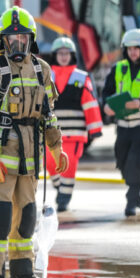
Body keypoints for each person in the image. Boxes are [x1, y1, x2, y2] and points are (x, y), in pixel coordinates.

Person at [0, 5, 69, 278]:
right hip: (0, 157)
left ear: (31, 39)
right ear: (3, 41)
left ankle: (23, 273)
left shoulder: (42, 70)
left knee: (26, 215)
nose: (17, 44)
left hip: (30, 158)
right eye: (12, 39)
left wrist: (55, 145)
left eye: (22, 39)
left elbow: (48, 113)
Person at [102, 28, 140, 217]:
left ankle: (132, 200)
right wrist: (106, 105)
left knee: (136, 162)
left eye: (136, 48)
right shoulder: (118, 69)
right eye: (129, 49)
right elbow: (107, 92)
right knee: (122, 161)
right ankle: (138, 185)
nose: (133, 52)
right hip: (123, 125)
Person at [45, 37, 103, 212]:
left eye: (67, 53)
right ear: (55, 55)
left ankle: (64, 198)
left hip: (75, 133)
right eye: (60, 53)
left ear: (72, 55)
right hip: (50, 133)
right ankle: (60, 187)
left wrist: (95, 128)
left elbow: (90, 103)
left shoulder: (81, 77)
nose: (63, 56)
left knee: (69, 167)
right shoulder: (46, 76)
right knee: (49, 162)